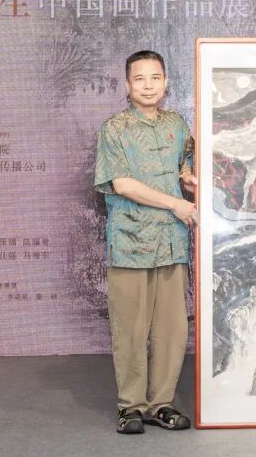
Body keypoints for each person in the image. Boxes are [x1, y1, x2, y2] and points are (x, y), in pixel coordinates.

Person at [93, 50, 198, 434]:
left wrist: (189, 181)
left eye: (155, 78)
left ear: (166, 82)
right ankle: (131, 407)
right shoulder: (115, 129)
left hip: (171, 241)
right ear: (127, 85)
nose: (148, 86)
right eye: (139, 79)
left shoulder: (177, 125)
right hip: (130, 243)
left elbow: (184, 168)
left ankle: (161, 404)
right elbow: (122, 184)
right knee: (131, 329)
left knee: (172, 328)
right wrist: (176, 203)